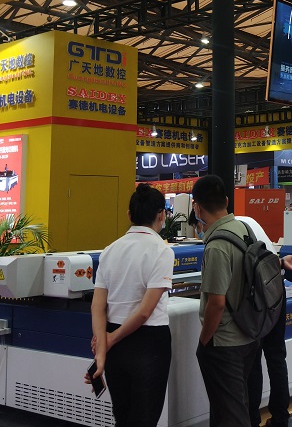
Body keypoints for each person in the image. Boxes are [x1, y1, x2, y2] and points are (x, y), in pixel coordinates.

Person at [87, 184, 174, 427]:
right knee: (144, 419)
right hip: (149, 343)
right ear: (161, 215)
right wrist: (108, 340)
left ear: (129, 215)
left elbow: (97, 307)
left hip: (116, 345)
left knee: (123, 417)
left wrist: (103, 348)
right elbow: (145, 311)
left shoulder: (109, 251)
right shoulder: (162, 251)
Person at [193, 174, 260, 427]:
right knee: (234, 406)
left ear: (197, 207)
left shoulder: (216, 246)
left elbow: (217, 302)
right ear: (227, 201)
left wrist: (204, 340)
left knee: (230, 414)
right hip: (249, 332)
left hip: (224, 342)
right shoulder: (244, 229)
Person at [243, 217, 292, 427]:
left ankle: (252, 419)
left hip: (258, 294)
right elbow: (265, 259)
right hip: (276, 288)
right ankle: (280, 418)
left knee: (253, 358)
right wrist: (281, 262)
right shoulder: (248, 221)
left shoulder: (228, 231)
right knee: (276, 356)